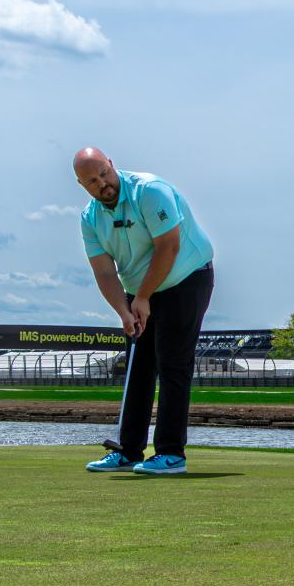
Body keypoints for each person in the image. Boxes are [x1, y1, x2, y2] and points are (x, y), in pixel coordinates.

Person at [74, 147, 214, 476]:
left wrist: (143, 296)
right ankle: (128, 450)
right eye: (92, 181)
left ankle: (170, 453)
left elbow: (169, 247)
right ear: (83, 185)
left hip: (186, 277)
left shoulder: (149, 191)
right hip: (140, 291)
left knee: (172, 364)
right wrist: (124, 311)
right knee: (138, 366)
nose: (102, 184)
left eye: (104, 174)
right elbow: (105, 272)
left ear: (111, 165)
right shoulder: (90, 218)